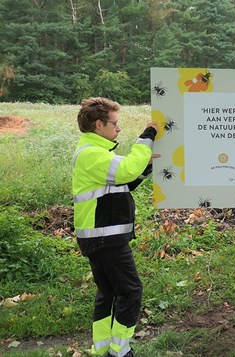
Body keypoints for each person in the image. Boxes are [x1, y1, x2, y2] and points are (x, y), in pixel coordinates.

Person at [72, 97, 159, 357]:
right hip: (104, 238)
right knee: (131, 291)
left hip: (100, 237)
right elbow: (127, 168)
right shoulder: (91, 154)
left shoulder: (96, 152)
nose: (118, 128)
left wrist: (146, 169)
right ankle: (120, 352)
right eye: (115, 123)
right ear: (99, 124)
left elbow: (124, 182)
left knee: (108, 292)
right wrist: (148, 135)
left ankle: (102, 349)